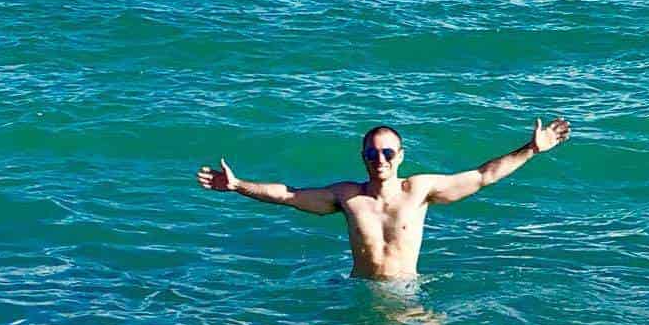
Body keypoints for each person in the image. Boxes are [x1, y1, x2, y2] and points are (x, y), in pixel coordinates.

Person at [196, 118, 571, 280]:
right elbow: (290, 195)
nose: (381, 160)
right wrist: (238, 185)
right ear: (363, 157)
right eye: (373, 154)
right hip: (358, 290)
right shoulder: (348, 197)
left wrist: (530, 150)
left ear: (401, 156)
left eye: (388, 153)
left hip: (406, 293)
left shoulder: (420, 190)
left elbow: (482, 176)